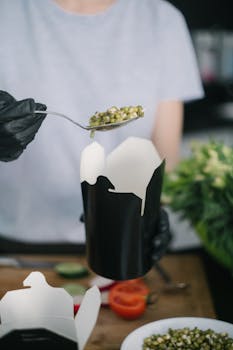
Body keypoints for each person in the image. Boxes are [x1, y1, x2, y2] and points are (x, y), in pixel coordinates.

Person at [0, 0, 203, 251]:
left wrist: (152, 215)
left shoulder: (161, 19)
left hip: (118, 242)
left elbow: (165, 162)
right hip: (12, 242)